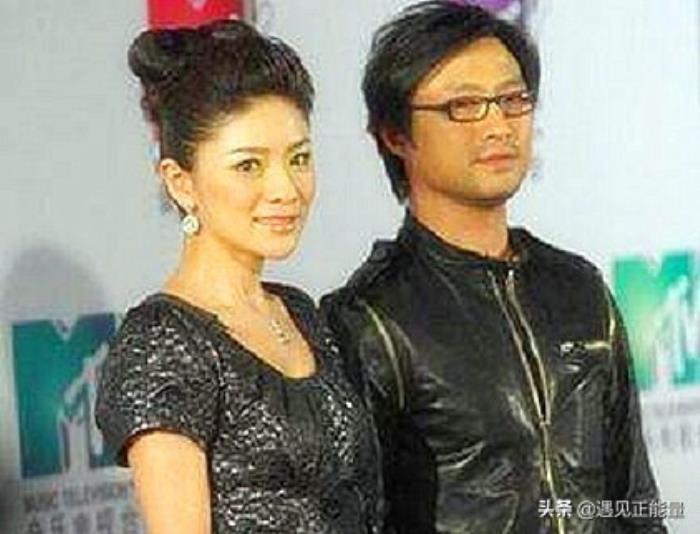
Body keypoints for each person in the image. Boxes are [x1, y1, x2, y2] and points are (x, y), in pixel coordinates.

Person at [321, 2, 665, 533]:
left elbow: (633, 501)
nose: (498, 124)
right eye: (463, 105)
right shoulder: (370, 321)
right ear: (394, 135)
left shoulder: (579, 289)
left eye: (512, 100)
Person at [95, 19, 381, 534]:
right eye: (249, 166)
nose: (286, 189)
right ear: (181, 183)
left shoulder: (299, 313)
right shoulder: (163, 343)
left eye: (299, 158)